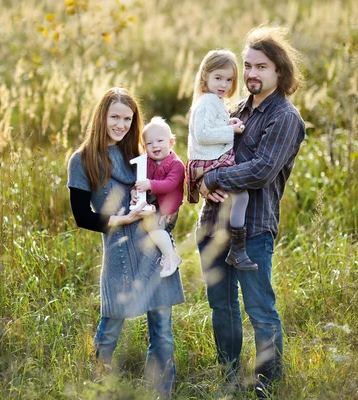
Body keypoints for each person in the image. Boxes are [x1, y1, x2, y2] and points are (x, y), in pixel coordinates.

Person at [196, 26, 305, 397]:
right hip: (212, 225)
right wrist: (197, 174)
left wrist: (212, 177)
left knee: (260, 309)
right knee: (221, 307)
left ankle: (268, 383)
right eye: (247, 66)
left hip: (254, 229)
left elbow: (261, 171)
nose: (252, 74)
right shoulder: (235, 109)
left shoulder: (285, 117)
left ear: (279, 71)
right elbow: (203, 153)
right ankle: (229, 375)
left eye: (261, 66)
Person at [67, 87, 185, 397]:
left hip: (154, 251)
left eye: (127, 119)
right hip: (118, 253)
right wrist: (119, 221)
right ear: (102, 116)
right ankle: (98, 391)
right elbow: (82, 216)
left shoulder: (140, 154)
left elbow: (171, 185)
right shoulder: (82, 161)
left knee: (162, 335)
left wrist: (166, 216)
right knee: (109, 332)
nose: (121, 125)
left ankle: (160, 393)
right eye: (115, 117)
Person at [186, 49, 258, 271]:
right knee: (241, 194)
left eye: (229, 80)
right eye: (218, 78)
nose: (224, 85)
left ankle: (231, 243)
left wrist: (228, 124)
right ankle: (238, 248)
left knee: (233, 197)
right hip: (208, 163)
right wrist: (231, 132)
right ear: (205, 76)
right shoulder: (207, 101)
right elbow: (203, 134)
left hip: (210, 161)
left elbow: (212, 128)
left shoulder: (213, 101)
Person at [132, 116, 185, 278]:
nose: (155, 146)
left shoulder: (176, 164)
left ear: (171, 143)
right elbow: (140, 180)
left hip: (167, 208)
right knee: (147, 226)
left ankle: (171, 256)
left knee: (154, 227)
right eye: (149, 143)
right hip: (154, 204)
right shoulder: (147, 162)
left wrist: (149, 184)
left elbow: (169, 184)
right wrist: (135, 191)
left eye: (160, 141)